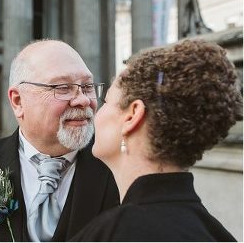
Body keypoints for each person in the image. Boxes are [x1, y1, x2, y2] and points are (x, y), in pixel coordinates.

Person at [0, 40, 119, 241]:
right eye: (63, 88)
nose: (83, 100)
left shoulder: (121, 170)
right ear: (18, 101)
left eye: (87, 87)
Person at [70, 40, 239, 241]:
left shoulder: (111, 234)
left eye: (106, 101)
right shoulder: (218, 235)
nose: (94, 113)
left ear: (132, 116)